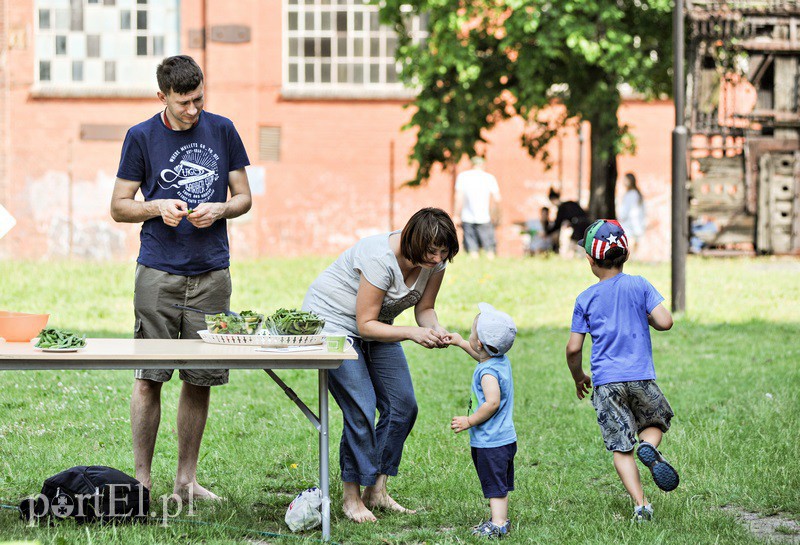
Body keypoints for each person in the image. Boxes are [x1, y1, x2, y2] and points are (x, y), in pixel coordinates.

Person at [110, 55, 252, 500]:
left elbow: (244, 196)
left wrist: (223, 208)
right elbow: (118, 206)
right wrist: (156, 206)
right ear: (162, 97)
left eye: (198, 99)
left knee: (200, 376)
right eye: (183, 102)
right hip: (157, 274)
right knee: (150, 376)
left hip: (212, 273)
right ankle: (142, 482)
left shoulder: (223, 129)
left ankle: (186, 481)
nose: (193, 109)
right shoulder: (141, 136)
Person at [302, 207, 459, 523]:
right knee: (361, 405)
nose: (437, 258)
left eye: (444, 252)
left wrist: (434, 328)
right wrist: (413, 334)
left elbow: (425, 308)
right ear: (413, 240)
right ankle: (351, 496)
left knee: (403, 405)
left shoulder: (435, 263)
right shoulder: (379, 259)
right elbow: (364, 325)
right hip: (334, 323)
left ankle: (377, 490)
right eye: (432, 251)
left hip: (378, 323)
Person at [565, 219, 679, 522]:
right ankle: (650, 447)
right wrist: (648, 315)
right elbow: (665, 321)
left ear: (590, 260)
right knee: (657, 419)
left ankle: (641, 505)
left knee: (620, 447)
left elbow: (573, 348)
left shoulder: (585, 298)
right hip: (641, 375)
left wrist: (579, 377)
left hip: (606, 384)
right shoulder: (639, 284)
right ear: (626, 255)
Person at [447, 303, 517, 539]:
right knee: (499, 483)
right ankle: (500, 518)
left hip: (491, 441)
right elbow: (480, 354)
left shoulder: (487, 373)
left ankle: (498, 524)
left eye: (471, 334)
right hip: (504, 438)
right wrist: (459, 342)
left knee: (495, 485)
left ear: (479, 343)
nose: (469, 337)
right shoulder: (499, 360)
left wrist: (469, 420)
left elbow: (492, 403)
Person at [454, 157, 502, 259]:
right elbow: (497, 199)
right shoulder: (489, 178)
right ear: (483, 165)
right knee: (489, 249)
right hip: (485, 217)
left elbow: (458, 198)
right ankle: (491, 268)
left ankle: (474, 268)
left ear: (471, 165)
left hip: (467, 217)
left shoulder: (463, 177)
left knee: (472, 249)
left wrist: (456, 215)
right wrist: (495, 214)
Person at [543, 188, 591, 258]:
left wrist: (548, 232)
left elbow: (557, 224)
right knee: (581, 244)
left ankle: (571, 257)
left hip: (577, 227)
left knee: (573, 244)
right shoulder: (571, 203)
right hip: (586, 224)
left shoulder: (562, 208)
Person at [618, 173, 646, 254]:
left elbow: (626, 210)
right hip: (635, 223)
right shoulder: (636, 194)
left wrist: (621, 217)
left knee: (630, 243)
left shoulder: (631, 194)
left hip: (629, 223)